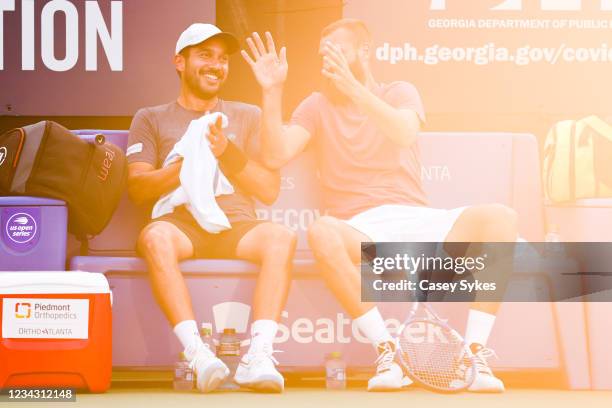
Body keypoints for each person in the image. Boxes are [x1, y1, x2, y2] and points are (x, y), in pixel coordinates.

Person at [241, 19, 517, 392]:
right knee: (321, 230)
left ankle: (473, 356)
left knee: (501, 218)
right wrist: (272, 91)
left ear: (364, 52)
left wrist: (355, 90)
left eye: (337, 51)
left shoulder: (399, 91)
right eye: (324, 56)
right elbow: (275, 155)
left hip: (418, 218)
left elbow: (403, 131)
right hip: (361, 227)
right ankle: (388, 351)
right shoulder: (316, 105)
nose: (329, 62)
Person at [127, 23, 295, 393]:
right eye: (205, 55)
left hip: (237, 225)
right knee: (155, 238)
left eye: (222, 59)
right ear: (179, 62)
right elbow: (138, 187)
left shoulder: (247, 114)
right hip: (181, 226)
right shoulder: (150, 117)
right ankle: (198, 355)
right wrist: (190, 160)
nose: (216, 65)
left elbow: (268, 190)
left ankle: (259, 356)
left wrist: (225, 153)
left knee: (280, 237)